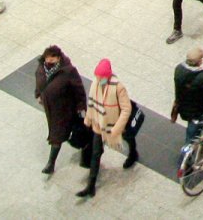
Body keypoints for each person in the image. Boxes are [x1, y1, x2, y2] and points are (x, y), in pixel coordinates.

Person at [80, 58, 138, 196]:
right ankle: (91, 184)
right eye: (97, 76)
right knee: (96, 152)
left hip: (114, 123)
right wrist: (88, 119)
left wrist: (117, 128)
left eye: (102, 77)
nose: (99, 79)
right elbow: (91, 103)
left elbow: (126, 109)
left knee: (127, 137)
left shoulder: (118, 87)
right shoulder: (95, 83)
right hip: (99, 124)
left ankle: (133, 153)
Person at [34, 45, 86, 176]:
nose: (49, 60)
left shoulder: (68, 71)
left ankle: (51, 163)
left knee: (57, 135)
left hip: (65, 109)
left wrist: (81, 107)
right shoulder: (41, 68)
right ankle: (84, 144)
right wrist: (38, 94)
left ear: (58, 58)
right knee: (66, 132)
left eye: (53, 57)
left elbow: (79, 89)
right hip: (50, 108)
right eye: (47, 57)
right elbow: (39, 83)